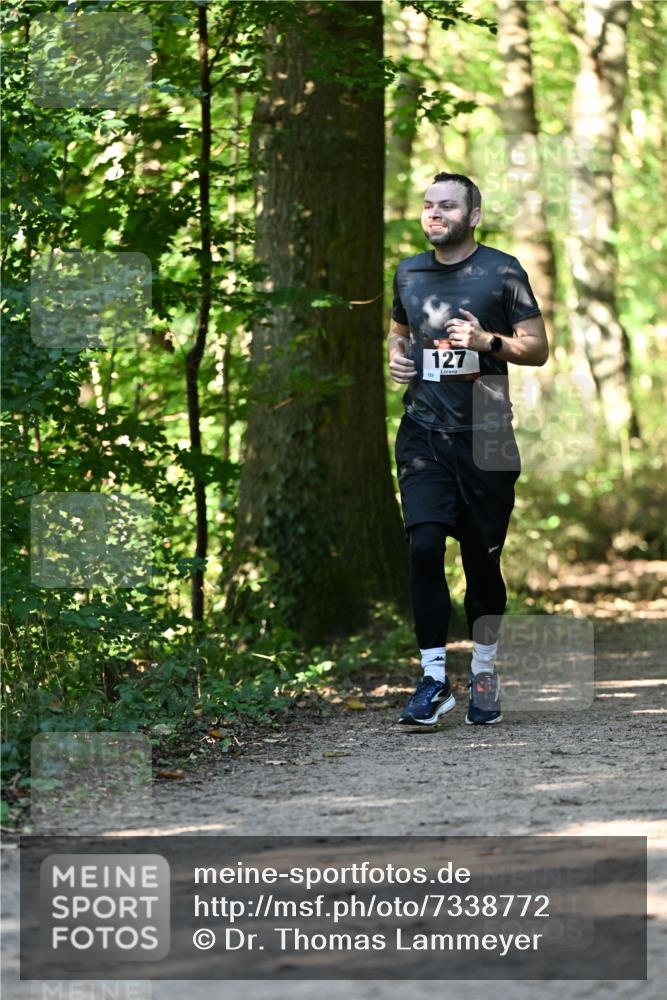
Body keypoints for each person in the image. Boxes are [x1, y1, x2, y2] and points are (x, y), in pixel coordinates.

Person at [389, 171, 548, 727]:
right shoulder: (407, 271)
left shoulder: (502, 271)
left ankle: (483, 668)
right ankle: (433, 678)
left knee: (483, 563)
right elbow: (398, 331)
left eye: (448, 206)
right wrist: (397, 357)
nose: (434, 213)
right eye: (429, 205)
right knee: (425, 545)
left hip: (487, 432)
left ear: (473, 215)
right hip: (424, 433)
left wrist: (487, 342)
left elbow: (538, 349)